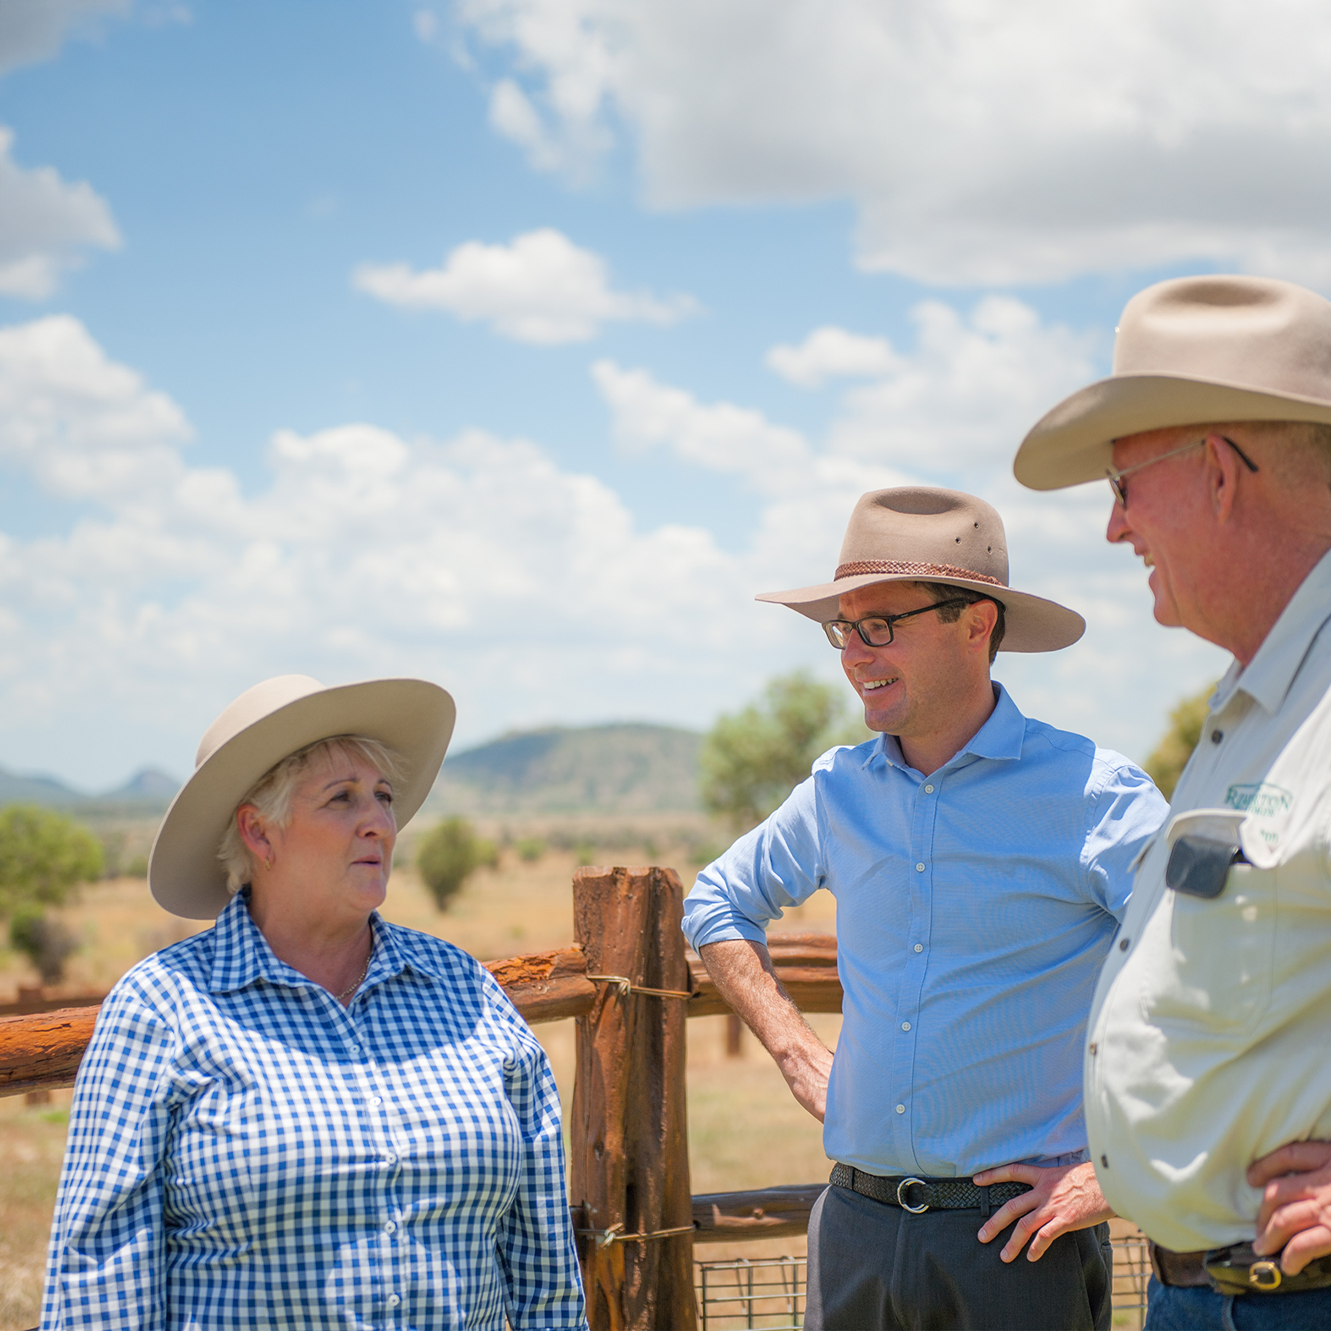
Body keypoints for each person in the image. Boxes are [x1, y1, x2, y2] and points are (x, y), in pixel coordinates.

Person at [682, 486, 1167, 1330]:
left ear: (974, 623)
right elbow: (716, 901)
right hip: (854, 1233)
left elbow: (1211, 982)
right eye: (845, 627)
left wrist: (1117, 1168)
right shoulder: (837, 788)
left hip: (1015, 1245)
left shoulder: (1094, 793)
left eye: (882, 625)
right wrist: (796, 1050)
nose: (854, 653)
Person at [41, 674, 588, 1330]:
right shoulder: (163, 1009)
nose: (379, 822)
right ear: (259, 833)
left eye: (383, 796)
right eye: (342, 798)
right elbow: (100, 1278)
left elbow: (543, 1269)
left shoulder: (465, 992)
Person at [1013, 273, 1331, 1329]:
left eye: (1120, 484)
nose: (1111, 529)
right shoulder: (1261, 698)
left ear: (1213, 472)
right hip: (1205, 1291)